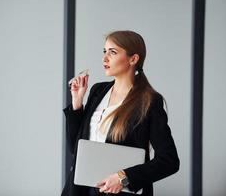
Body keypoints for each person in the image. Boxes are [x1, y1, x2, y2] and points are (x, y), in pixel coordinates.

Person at [62, 30, 180, 196]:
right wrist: (77, 102)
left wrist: (123, 178)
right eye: (104, 51)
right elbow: (76, 149)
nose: (105, 58)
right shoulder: (98, 91)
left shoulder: (149, 101)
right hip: (81, 190)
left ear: (133, 59)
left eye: (113, 52)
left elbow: (169, 161)